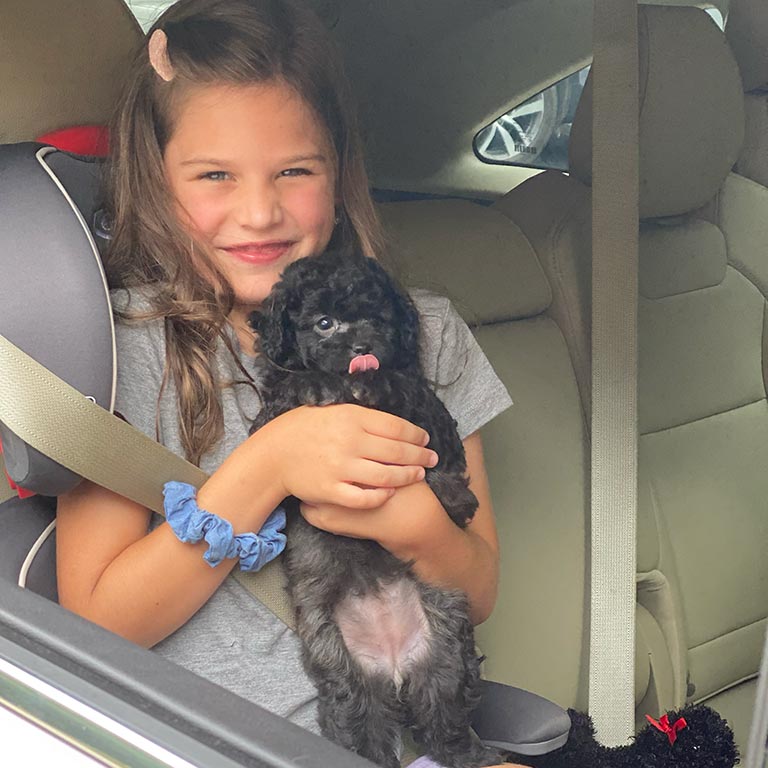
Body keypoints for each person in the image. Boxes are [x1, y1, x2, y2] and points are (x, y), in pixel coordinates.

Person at [56, 0, 518, 764]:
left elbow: (479, 589)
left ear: (338, 174)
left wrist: (418, 524)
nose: (261, 212)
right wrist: (270, 464)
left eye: (294, 171)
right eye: (214, 175)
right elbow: (95, 624)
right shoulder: (120, 347)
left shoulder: (423, 332)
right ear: (156, 178)